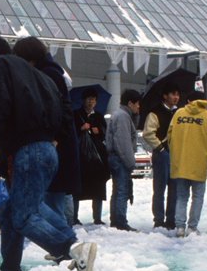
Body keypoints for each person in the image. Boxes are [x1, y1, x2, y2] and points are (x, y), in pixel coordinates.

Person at [0, 36, 96, 271]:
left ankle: (72, 249)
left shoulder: (0, 66)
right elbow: (65, 111)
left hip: (28, 152)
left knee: (24, 215)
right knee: (13, 213)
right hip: (46, 150)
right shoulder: (41, 75)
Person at [13, 36, 80, 225]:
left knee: (52, 199)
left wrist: (56, 137)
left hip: (55, 145)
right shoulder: (50, 71)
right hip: (57, 145)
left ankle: (63, 243)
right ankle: (62, 242)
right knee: (52, 198)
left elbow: (60, 109)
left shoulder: (48, 74)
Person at [167, 84, 207, 236]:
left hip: (180, 161)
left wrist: (175, 153)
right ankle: (192, 227)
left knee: (181, 196)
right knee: (198, 197)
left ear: (189, 101)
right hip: (199, 162)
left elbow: (170, 134)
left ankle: (180, 227)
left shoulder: (179, 113)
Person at [142, 85, 180, 229]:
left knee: (174, 188)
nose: (176, 97)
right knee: (160, 188)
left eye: (177, 94)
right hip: (162, 153)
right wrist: (160, 147)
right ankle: (158, 219)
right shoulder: (155, 113)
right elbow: (148, 133)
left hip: (176, 154)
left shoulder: (179, 113)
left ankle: (171, 219)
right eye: (173, 94)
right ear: (165, 96)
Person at [105, 89, 142, 231]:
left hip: (115, 157)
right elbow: (123, 141)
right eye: (137, 104)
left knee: (117, 190)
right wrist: (130, 162)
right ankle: (120, 221)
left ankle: (116, 220)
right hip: (120, 159)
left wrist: (136, 116)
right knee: (122, 190)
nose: (139, 107)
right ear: (130, 103)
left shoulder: (122, 115)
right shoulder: (122, 117)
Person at [73, 88, 109, 225]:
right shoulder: (76, 115)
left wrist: (97, 131)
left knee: (98, 189)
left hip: (96, 159)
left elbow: (104, 134)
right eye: (88, 99)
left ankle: (97, 218)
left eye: (93, 99)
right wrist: (80, 128)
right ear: (83, 100)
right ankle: (74, 217)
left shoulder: (99, 116)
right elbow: (71, 133)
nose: (91, 102)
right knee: (77, 188)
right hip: (80, 158)